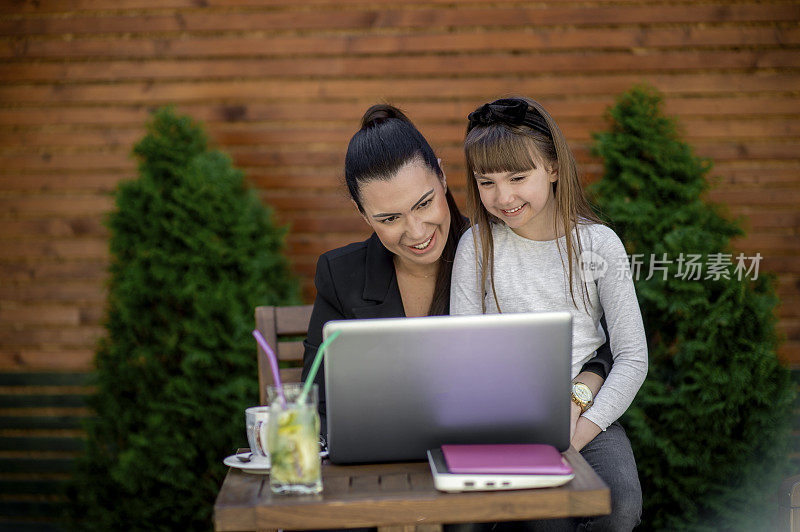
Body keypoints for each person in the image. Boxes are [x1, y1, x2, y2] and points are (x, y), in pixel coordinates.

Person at [301, 103, 613, 438]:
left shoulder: (491, 252)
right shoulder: (340, 274)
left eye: (424, 203)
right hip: (383, 466)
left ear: (442, 175)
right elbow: (314, 405)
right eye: (390, 218)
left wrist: (582, 388)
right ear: (362, 213)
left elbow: (597, 338)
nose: (417, 231)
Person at [450, 97, 648, 531]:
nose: (503, 197)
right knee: (546, 519)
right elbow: (463, 356)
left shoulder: (598, 245)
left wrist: (581, 427)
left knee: (620, 503)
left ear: (554, 167)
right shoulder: (476, 247)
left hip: (587, 413)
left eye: (518, 177)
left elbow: (632, 355)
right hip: (506, 420)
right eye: (487, 182)